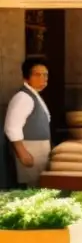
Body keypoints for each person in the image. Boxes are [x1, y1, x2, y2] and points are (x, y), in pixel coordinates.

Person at [4, 59, 52, 187]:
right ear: (26, 78)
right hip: (29, 147)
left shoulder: (34, 95)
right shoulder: (23, 97)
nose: (43, 78)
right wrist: (22, 153)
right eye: (37, 75)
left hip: (39, 147)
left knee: (39, 184)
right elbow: (12, 127)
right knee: (32, 186)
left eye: (45, 75)